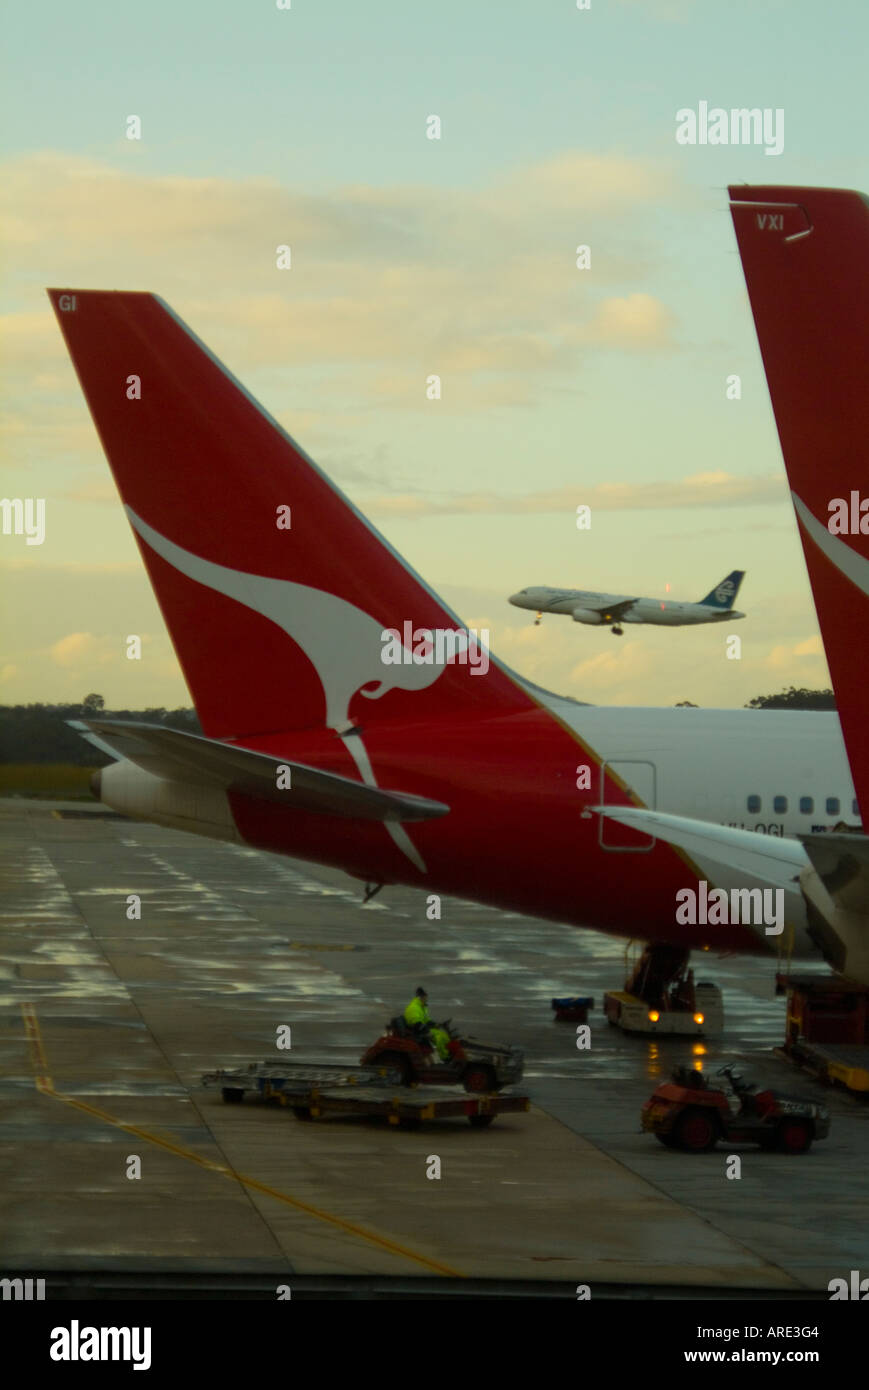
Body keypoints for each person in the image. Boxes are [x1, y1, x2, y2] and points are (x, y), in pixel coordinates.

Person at [403, 987, 451, 1061]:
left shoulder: (422, 1006)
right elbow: (417, 1024)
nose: (427, 999)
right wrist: (427, 1032)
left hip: (422, 1029)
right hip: (417, 1032)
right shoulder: (414, 1008)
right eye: (426, 997)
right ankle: (445, 1057)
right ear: (421, 997)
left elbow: (426, 1020)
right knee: (439, 1038)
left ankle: (448, 1052)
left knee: (443, 1034)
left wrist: (436, 1025)